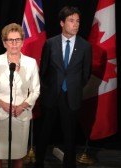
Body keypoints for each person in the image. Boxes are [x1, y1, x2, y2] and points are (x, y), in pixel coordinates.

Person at [34, 6, 92, 168]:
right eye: (71, 21)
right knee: (44, 133)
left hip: (72, 97)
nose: (76, 24)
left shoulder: (85, 46)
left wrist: (74, 87)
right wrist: (48, 90)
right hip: (51, 96)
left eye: (78, 21)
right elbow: (43, 70)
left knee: (70, 136)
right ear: (62, 23)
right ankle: (38, 162)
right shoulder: (50, 44)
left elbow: (86, 74)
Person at [0, 23, 40, 168]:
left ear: (22, 41)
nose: (14, 43)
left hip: (21, 115)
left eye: (18, 39)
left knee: (18, 154)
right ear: (4, 42)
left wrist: (22, 106)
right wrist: (2, 104)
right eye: (10, 40)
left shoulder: (31, 63)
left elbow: (35, 91)